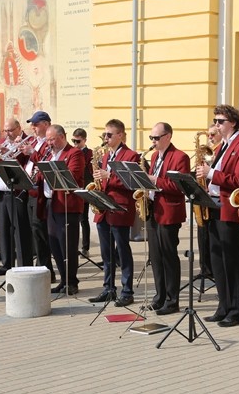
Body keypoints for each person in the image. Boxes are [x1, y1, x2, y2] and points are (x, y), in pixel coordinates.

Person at [195, 104, 239, 327]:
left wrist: (211, 173)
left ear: (233, 123)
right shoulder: (223, 145)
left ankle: (235, 311)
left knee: (231, 262)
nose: (217, 125)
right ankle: (223, 306)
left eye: (220, 121)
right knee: (217, 261)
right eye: (216, 121)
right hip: (213, 207)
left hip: (230, 209)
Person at [88, 119, 140, 306]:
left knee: (122, 251)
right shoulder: (105, 156)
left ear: (120, 135)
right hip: (103, 208)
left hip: (120, 208)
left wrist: (108, 175)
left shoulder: (131, 155)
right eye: (104, 135)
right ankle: (108, 288)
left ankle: (127, 291)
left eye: (109, 135)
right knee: (106, 253)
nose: (105, 138)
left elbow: (131, 182)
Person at [145, 122, 191, 315]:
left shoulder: (180, 157)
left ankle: (172, 301)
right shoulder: (155, 156)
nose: (153, 142)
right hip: (153, 209)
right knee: (155, 257)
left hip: (170, 212)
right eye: (151, 138)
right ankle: (159, 297)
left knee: (168, 256)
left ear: (168, 136)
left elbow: (180, 187)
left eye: (156, 138)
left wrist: (155, 181)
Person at [34, 124, 85, 295]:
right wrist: (38, 172)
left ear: (62, 137)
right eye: (47, 139)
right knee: (55, 244)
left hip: (67, 206)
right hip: (51, 203)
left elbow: (73, 176)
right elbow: (42, 176)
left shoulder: (74, 153)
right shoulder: (50, 154)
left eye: (52, 139)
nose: (49, 143)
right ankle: (63, 280)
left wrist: (49, 171)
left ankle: (72, 282)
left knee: (68, 246)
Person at [0, 118, 34, 276]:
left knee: (20, 231)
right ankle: (6, 264)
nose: (7, 134)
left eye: (10, 130)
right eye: (5, 131)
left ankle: (24, 265)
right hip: (2, 192)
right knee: (4, 230)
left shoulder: (28, 142)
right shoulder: (2, 141)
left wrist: (21, 150)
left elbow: (28, 163)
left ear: (19, 127)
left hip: (18, 192)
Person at [21, 110, 55, 279]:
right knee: (34, 231)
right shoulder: (35, 141)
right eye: (32, 124)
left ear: (46, 124)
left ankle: (45, 268)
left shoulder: (47, 144)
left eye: (36, 124)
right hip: (31, 191)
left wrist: (32, 151)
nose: (32, 127)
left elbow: (45, 162)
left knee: (40, 232)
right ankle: (40, 264)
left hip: (41, 193)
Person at [196, 125, 221, 281]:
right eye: (209, 135)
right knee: (202, 237)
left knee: (213, 241)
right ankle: (205, 268)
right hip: (206, 196)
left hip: (217, 200)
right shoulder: (211, 151)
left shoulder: (220, 150)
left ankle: (212, 270)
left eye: (212, 134)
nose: (210, 137)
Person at [72, 128, 93, 257]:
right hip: (75, 189)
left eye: (78, 141)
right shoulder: (72, 152)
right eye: (73, 141)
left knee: (84, 220)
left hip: (86, 188)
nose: (75, 144)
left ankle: (85, 247)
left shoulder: (89, 153)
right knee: (75, 219)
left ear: (84, 140)